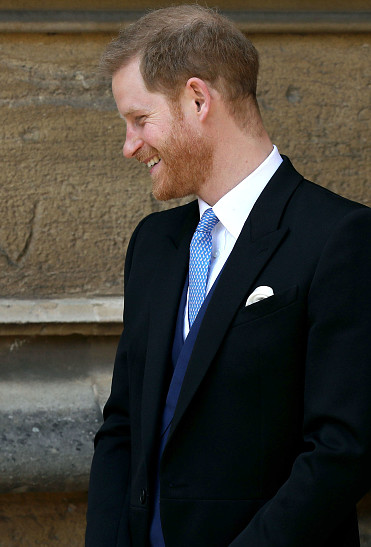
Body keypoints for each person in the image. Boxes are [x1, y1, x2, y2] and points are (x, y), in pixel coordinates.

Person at [85, 5, 371, 547]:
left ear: (198, 100)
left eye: (140, 120)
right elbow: (122, 426)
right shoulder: (154, 245)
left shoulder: (340, 237)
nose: (129, 145)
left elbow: (343, 449)